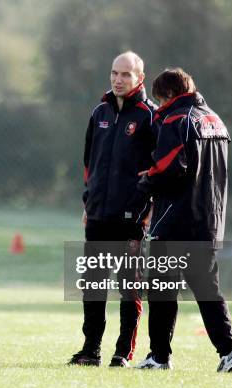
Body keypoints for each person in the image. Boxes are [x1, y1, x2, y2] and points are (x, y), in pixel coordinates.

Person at [134, 68, 232, 372]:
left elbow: (172, 167)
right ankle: (230, 353)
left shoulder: (176, 120)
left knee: (162, 291)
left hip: (174, 221)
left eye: (160, 98)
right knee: (209, 292)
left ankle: (159, 356)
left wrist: (146, 182)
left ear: (167, 94)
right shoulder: (214, 119)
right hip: (209, 221)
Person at [68, 51, 157, 367]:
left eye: (126, 75)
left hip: (131, 219)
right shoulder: (99, 112)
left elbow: (158, 169)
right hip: (98, 216)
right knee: (92, 286)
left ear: (139, 79)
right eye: (114, 73)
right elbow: (88, 164)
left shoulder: (149, 116)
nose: (118, 80)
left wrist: (150, 207)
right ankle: (90, 350)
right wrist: (87, 203)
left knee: (129, 289)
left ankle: (123, 352)